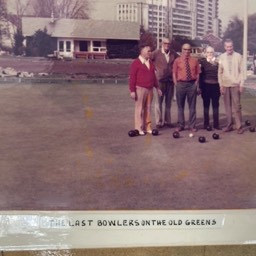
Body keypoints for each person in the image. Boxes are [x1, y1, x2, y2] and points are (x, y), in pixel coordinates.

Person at [129, 43, 162, 135]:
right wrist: (132, 91)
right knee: (139, 109)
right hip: (140, 89)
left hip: (150, 89)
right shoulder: (136, 63)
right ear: (142, 51)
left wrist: (158, 88)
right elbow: (132, 78)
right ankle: (138, 128)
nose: (150, 53)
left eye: (150, 51)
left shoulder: (150, 63)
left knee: (148, 109)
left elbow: (154, 77)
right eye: (148, 51)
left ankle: (147, 127)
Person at [151, 37, 179, 129]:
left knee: (168, 103)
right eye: (165, 43)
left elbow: (179, 61)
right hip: (159, 81)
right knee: (158, 102)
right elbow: (149, 60)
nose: (167, 45)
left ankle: (167, 121)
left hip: (170, 81)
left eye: (169, 44)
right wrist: (154, 71)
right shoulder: (156, 53)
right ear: (162, 43)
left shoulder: (173, 53)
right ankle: (159, 122)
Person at [218, 39, 244, 134]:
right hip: (225, 85)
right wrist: (221, 85)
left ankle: (239, 126)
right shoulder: (221, 57)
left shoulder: (238, 56)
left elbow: (242, 71)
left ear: (233, 46)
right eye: (227, 47)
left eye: (231, 46)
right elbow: (220, 72)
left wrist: (241, 84)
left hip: (235, 85)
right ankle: (229, 125)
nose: (229, 48)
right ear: (225, 47)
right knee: (227, 107)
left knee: (237, 106)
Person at [172, 43, 200, 132]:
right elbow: (174, 73)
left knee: (192, 106)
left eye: (188, 49)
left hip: (192, 85)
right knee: (180, 106)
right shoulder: (177, 60)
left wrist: (196, 83)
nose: (187, 51)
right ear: (182, 50)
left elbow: (198, 73)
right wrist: (176, 83)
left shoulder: (195, 61)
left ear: (190, 50)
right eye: (185, 49)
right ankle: (181, 125)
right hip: (181, 85)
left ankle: (192, 125)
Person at [199, 46, 221, 130]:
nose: (210, 54)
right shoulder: (202, 62)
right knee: (206, 106)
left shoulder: (218, 62)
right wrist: (200, 87)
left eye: (211, 52)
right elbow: (200, 76)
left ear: (214, 53)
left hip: (215, 86)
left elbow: (221, 74)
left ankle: (216, 124)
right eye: (208, 52)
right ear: (205, 53)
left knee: (215, 106)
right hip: (206, 87)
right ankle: (206, 124)